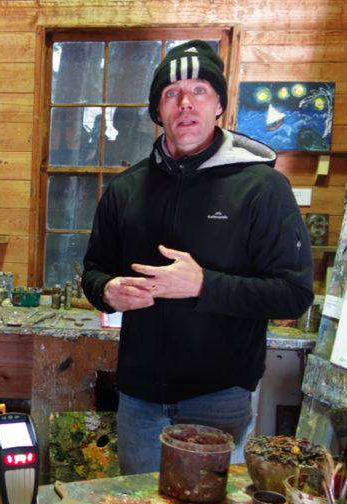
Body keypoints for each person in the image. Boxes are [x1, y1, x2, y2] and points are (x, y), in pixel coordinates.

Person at [80, 41, 314, 475]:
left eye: (200, 90)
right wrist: (107, 291)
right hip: (137, 397)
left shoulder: (261, 187)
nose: (185, 103)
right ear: (157, 110)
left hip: (219, 394)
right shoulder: (125, 189)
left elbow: (293, 295)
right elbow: (93, 273)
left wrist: (204, 285)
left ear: (219, 103)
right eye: (171, 93)